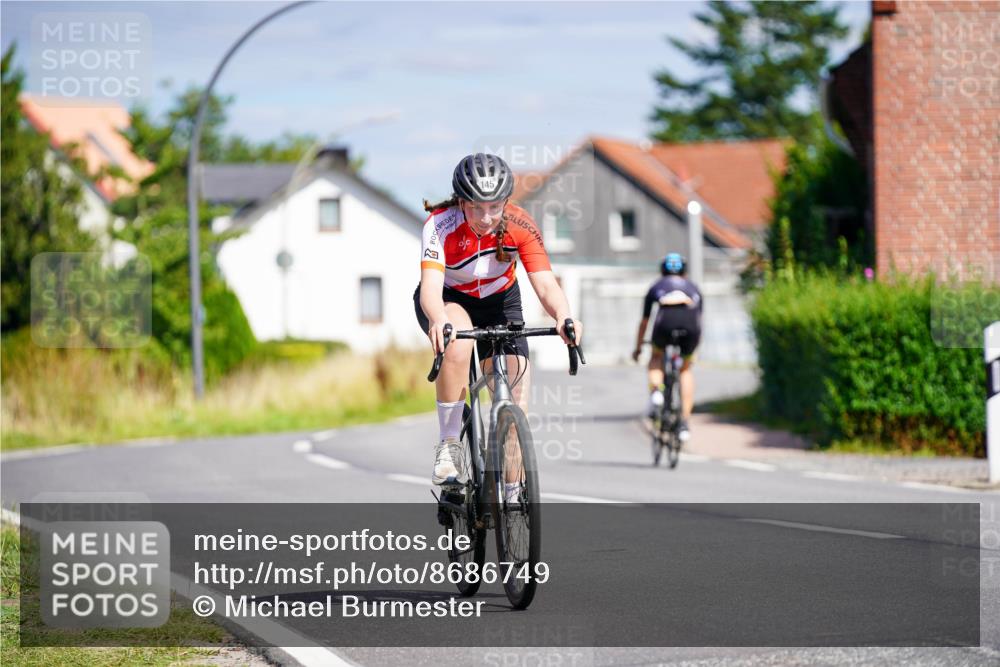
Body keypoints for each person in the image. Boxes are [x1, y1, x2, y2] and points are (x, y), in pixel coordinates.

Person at [415, 153, 583, 492]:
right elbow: (431, 289)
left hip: (501, 301)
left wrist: (564, 316)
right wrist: (438, 319)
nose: (486, 217)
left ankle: (513, 494)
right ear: (461, 201)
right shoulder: (439, 224)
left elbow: (546, 284)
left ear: (506, 202)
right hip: (450, 300)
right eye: (476, 207)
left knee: (515, 401)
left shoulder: (521, 225)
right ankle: (449, 444)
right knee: (459, 344)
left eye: (494, 207)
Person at [631, 253, 702, 442]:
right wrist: (695, 350)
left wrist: (638, 348)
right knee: (685, 370)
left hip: (665, 325)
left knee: (656, 358)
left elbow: (645, 322)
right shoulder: (693, 287)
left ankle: (656, 393)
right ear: (684, 271)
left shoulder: (656, 286)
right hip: (690, 326)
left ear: (662, 270)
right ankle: (685, 423)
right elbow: (699, 320)